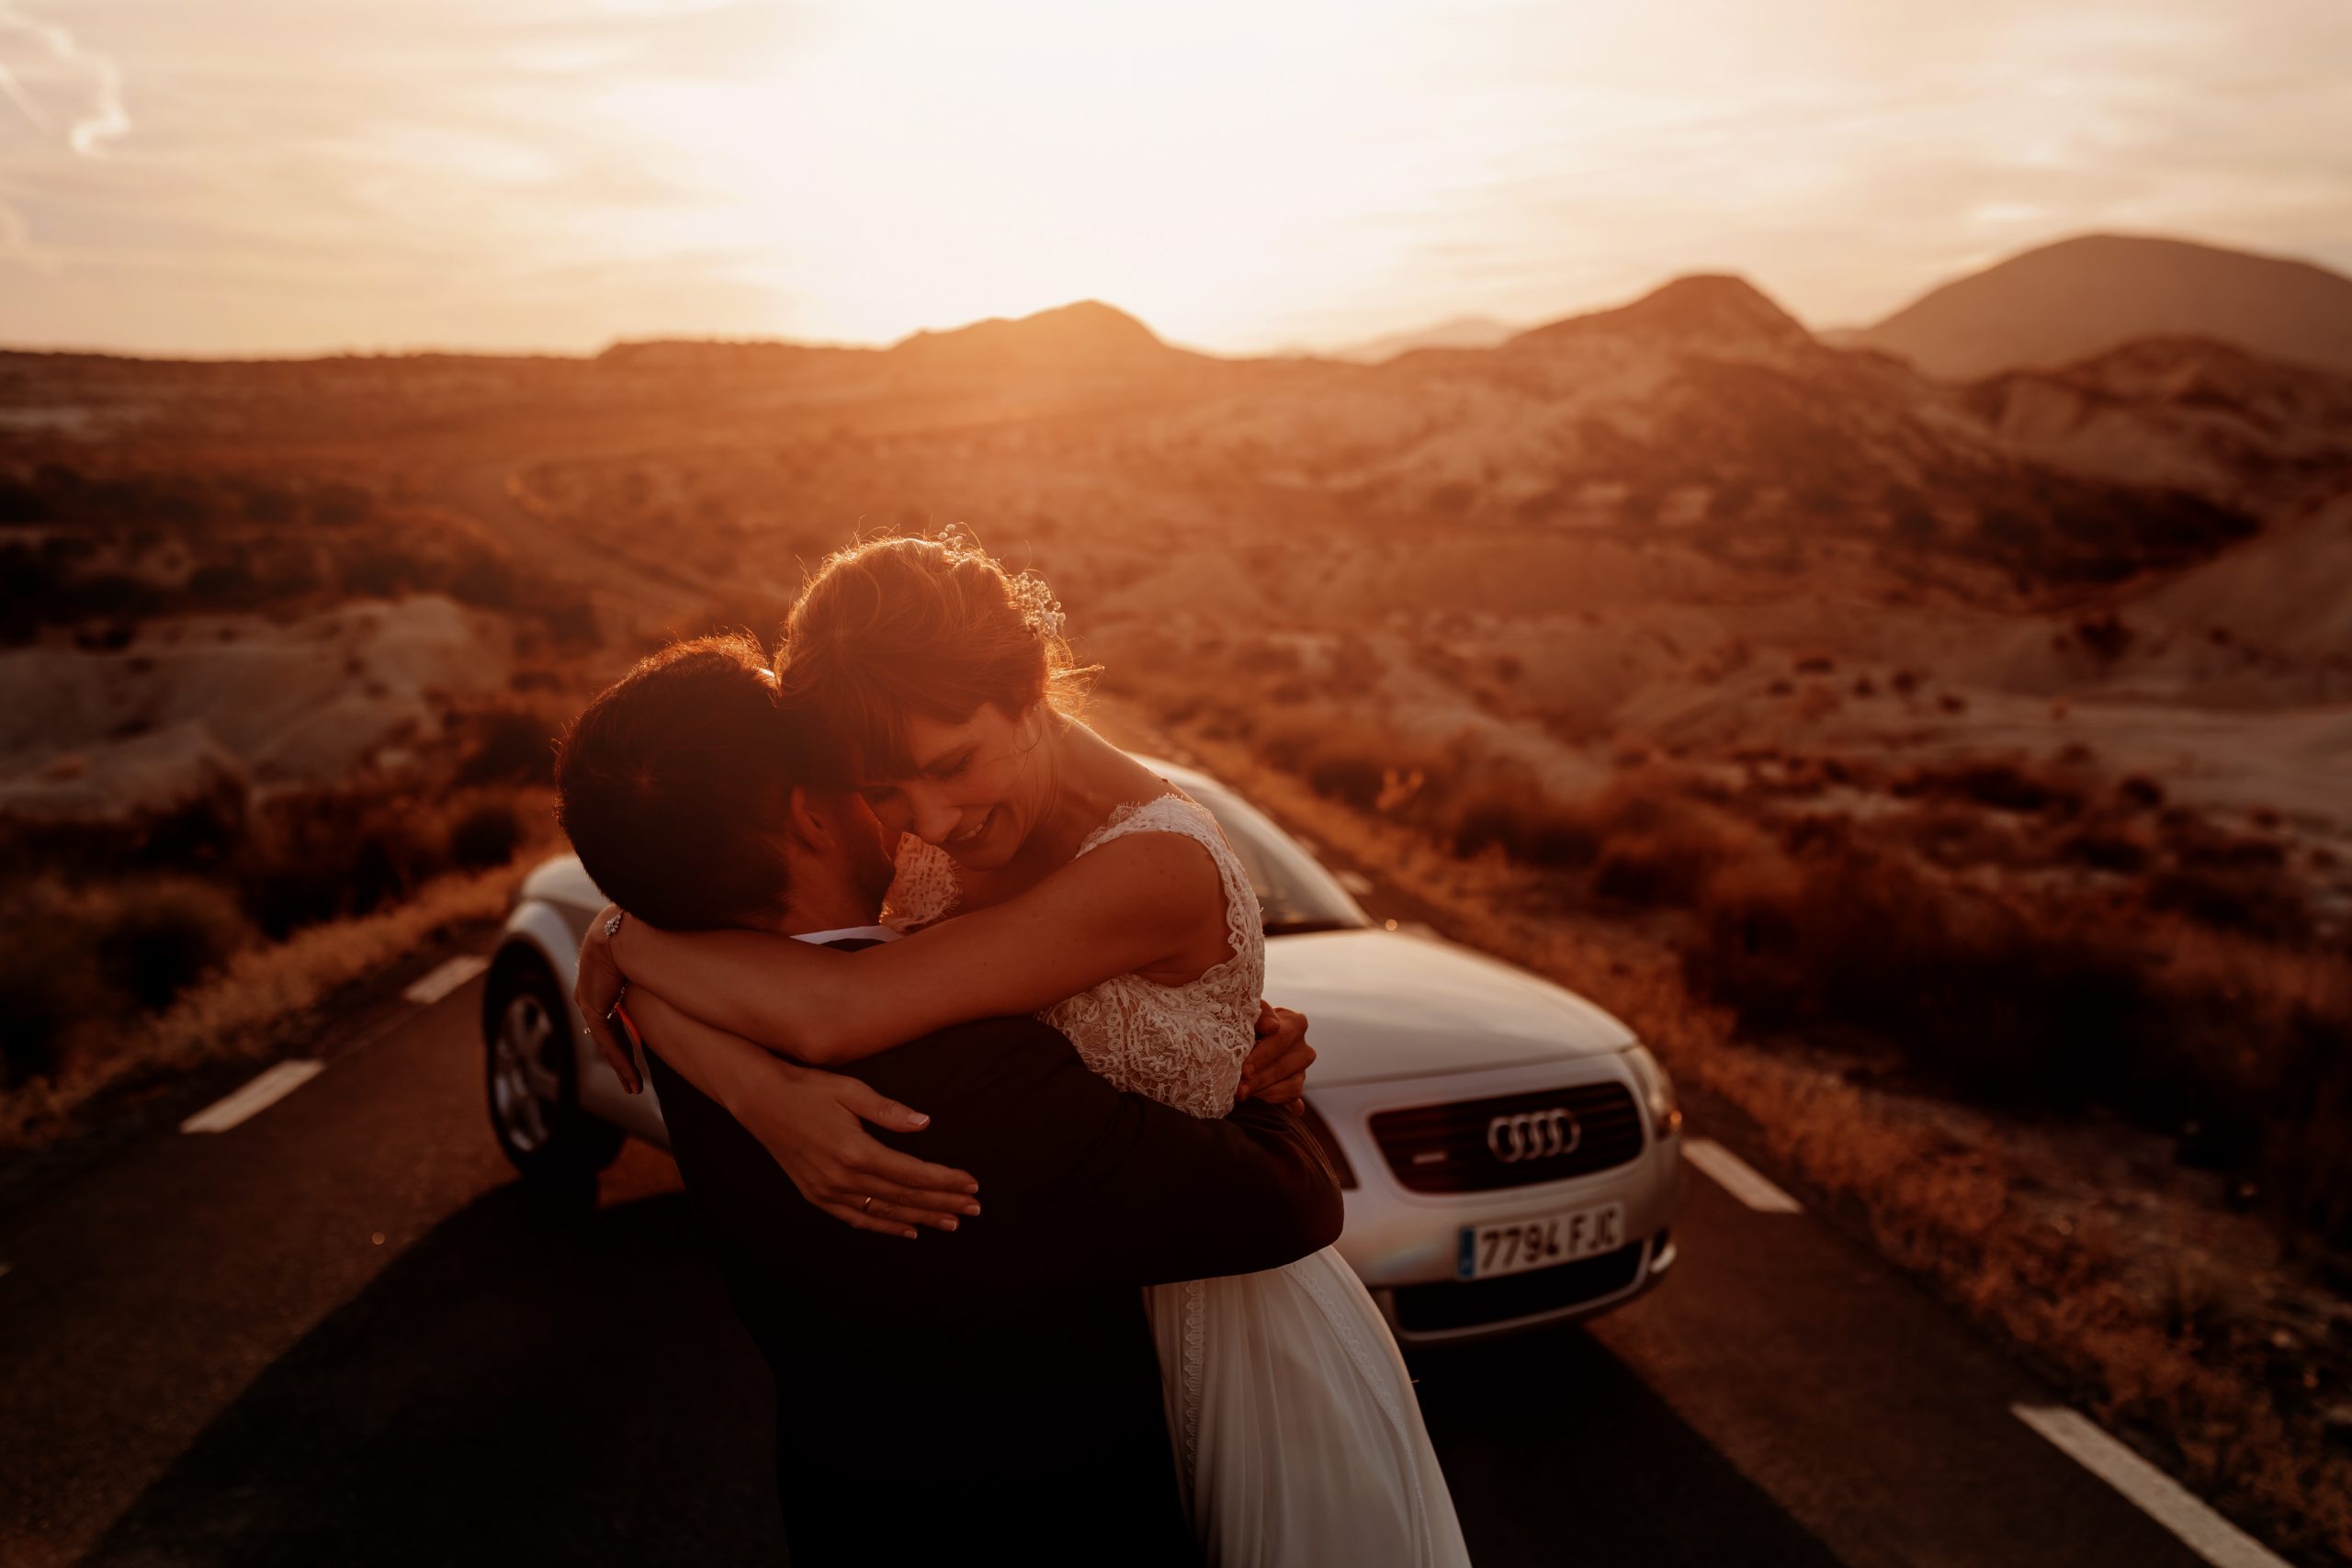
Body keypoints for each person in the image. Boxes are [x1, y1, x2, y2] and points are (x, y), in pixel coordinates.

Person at [576, 538, 1474, 1567]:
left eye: (952, 766)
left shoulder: (1151, 867)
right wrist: (726, 1049)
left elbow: (838, 1005)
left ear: (1032, 686)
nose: (934, 823)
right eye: (886, 794)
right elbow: (737, 848)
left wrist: (629, 942)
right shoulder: (907, 806)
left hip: (1224, 1300)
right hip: (1102, 1288)